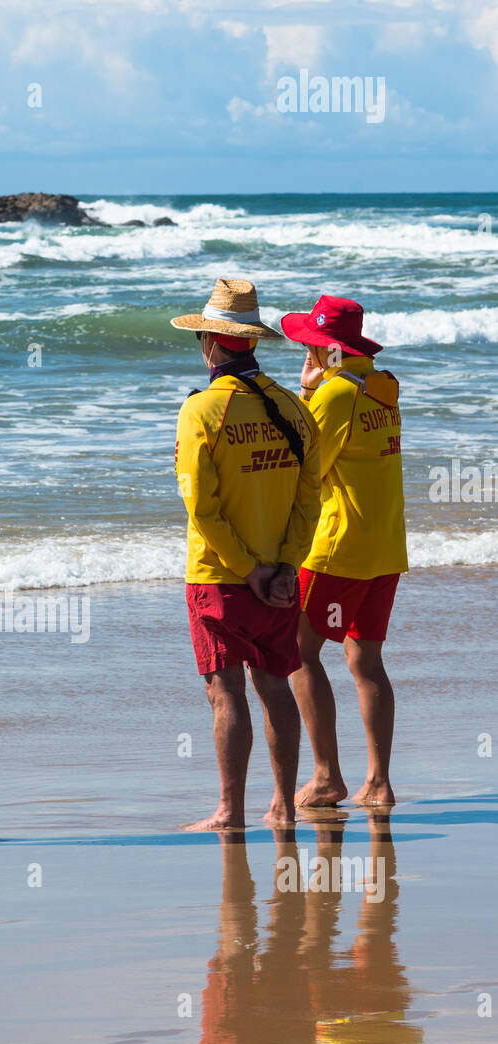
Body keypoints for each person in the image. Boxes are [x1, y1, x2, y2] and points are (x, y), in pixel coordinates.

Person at [172, 278, 321, 830]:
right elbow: (311, 496)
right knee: (275, 683)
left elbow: (203, 512)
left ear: (211, 343)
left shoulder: (202, 411)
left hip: (219, 575)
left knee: (225, 690)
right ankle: (283, 804)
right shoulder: (293, 406)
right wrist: (283, 566)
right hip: (281, 575)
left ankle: (229, 809)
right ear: (249, 341)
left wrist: (248, 571)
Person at [281, 296, 407, 808]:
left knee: (297, 652)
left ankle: (326, 776)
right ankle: (378, 781)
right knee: (366, 660)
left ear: (327, 349)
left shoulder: (335, 395)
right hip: (385, 545)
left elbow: (303, 466)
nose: (304, 352)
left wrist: (308, 393)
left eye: (310, 344)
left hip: (339, 548)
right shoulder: (383, 382)